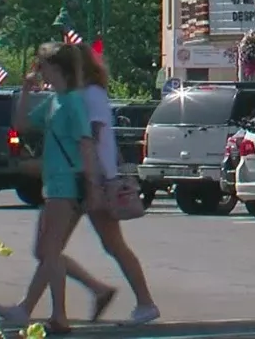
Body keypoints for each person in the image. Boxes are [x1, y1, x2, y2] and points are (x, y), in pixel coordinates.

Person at [0, 44, 106, 335]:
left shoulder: (74, 102)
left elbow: (86, 144)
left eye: (43, 67)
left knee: (48, 251)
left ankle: (59, 315)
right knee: (46, 251)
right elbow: (21, 124)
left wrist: (92, 187)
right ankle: (88, 292)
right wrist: (27, 91)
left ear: (58, 69)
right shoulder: (56, 100)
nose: (41, 72)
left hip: (66, 184)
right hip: (53, 183)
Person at [76, 44, 160, 326]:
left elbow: (95, 134)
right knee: (108, 244)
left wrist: (99, 179)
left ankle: (144, 301)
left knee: (113, 244)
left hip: (96, 177)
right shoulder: (84, 94)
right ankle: (139, 300)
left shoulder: (92, 94)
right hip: (88, 176)